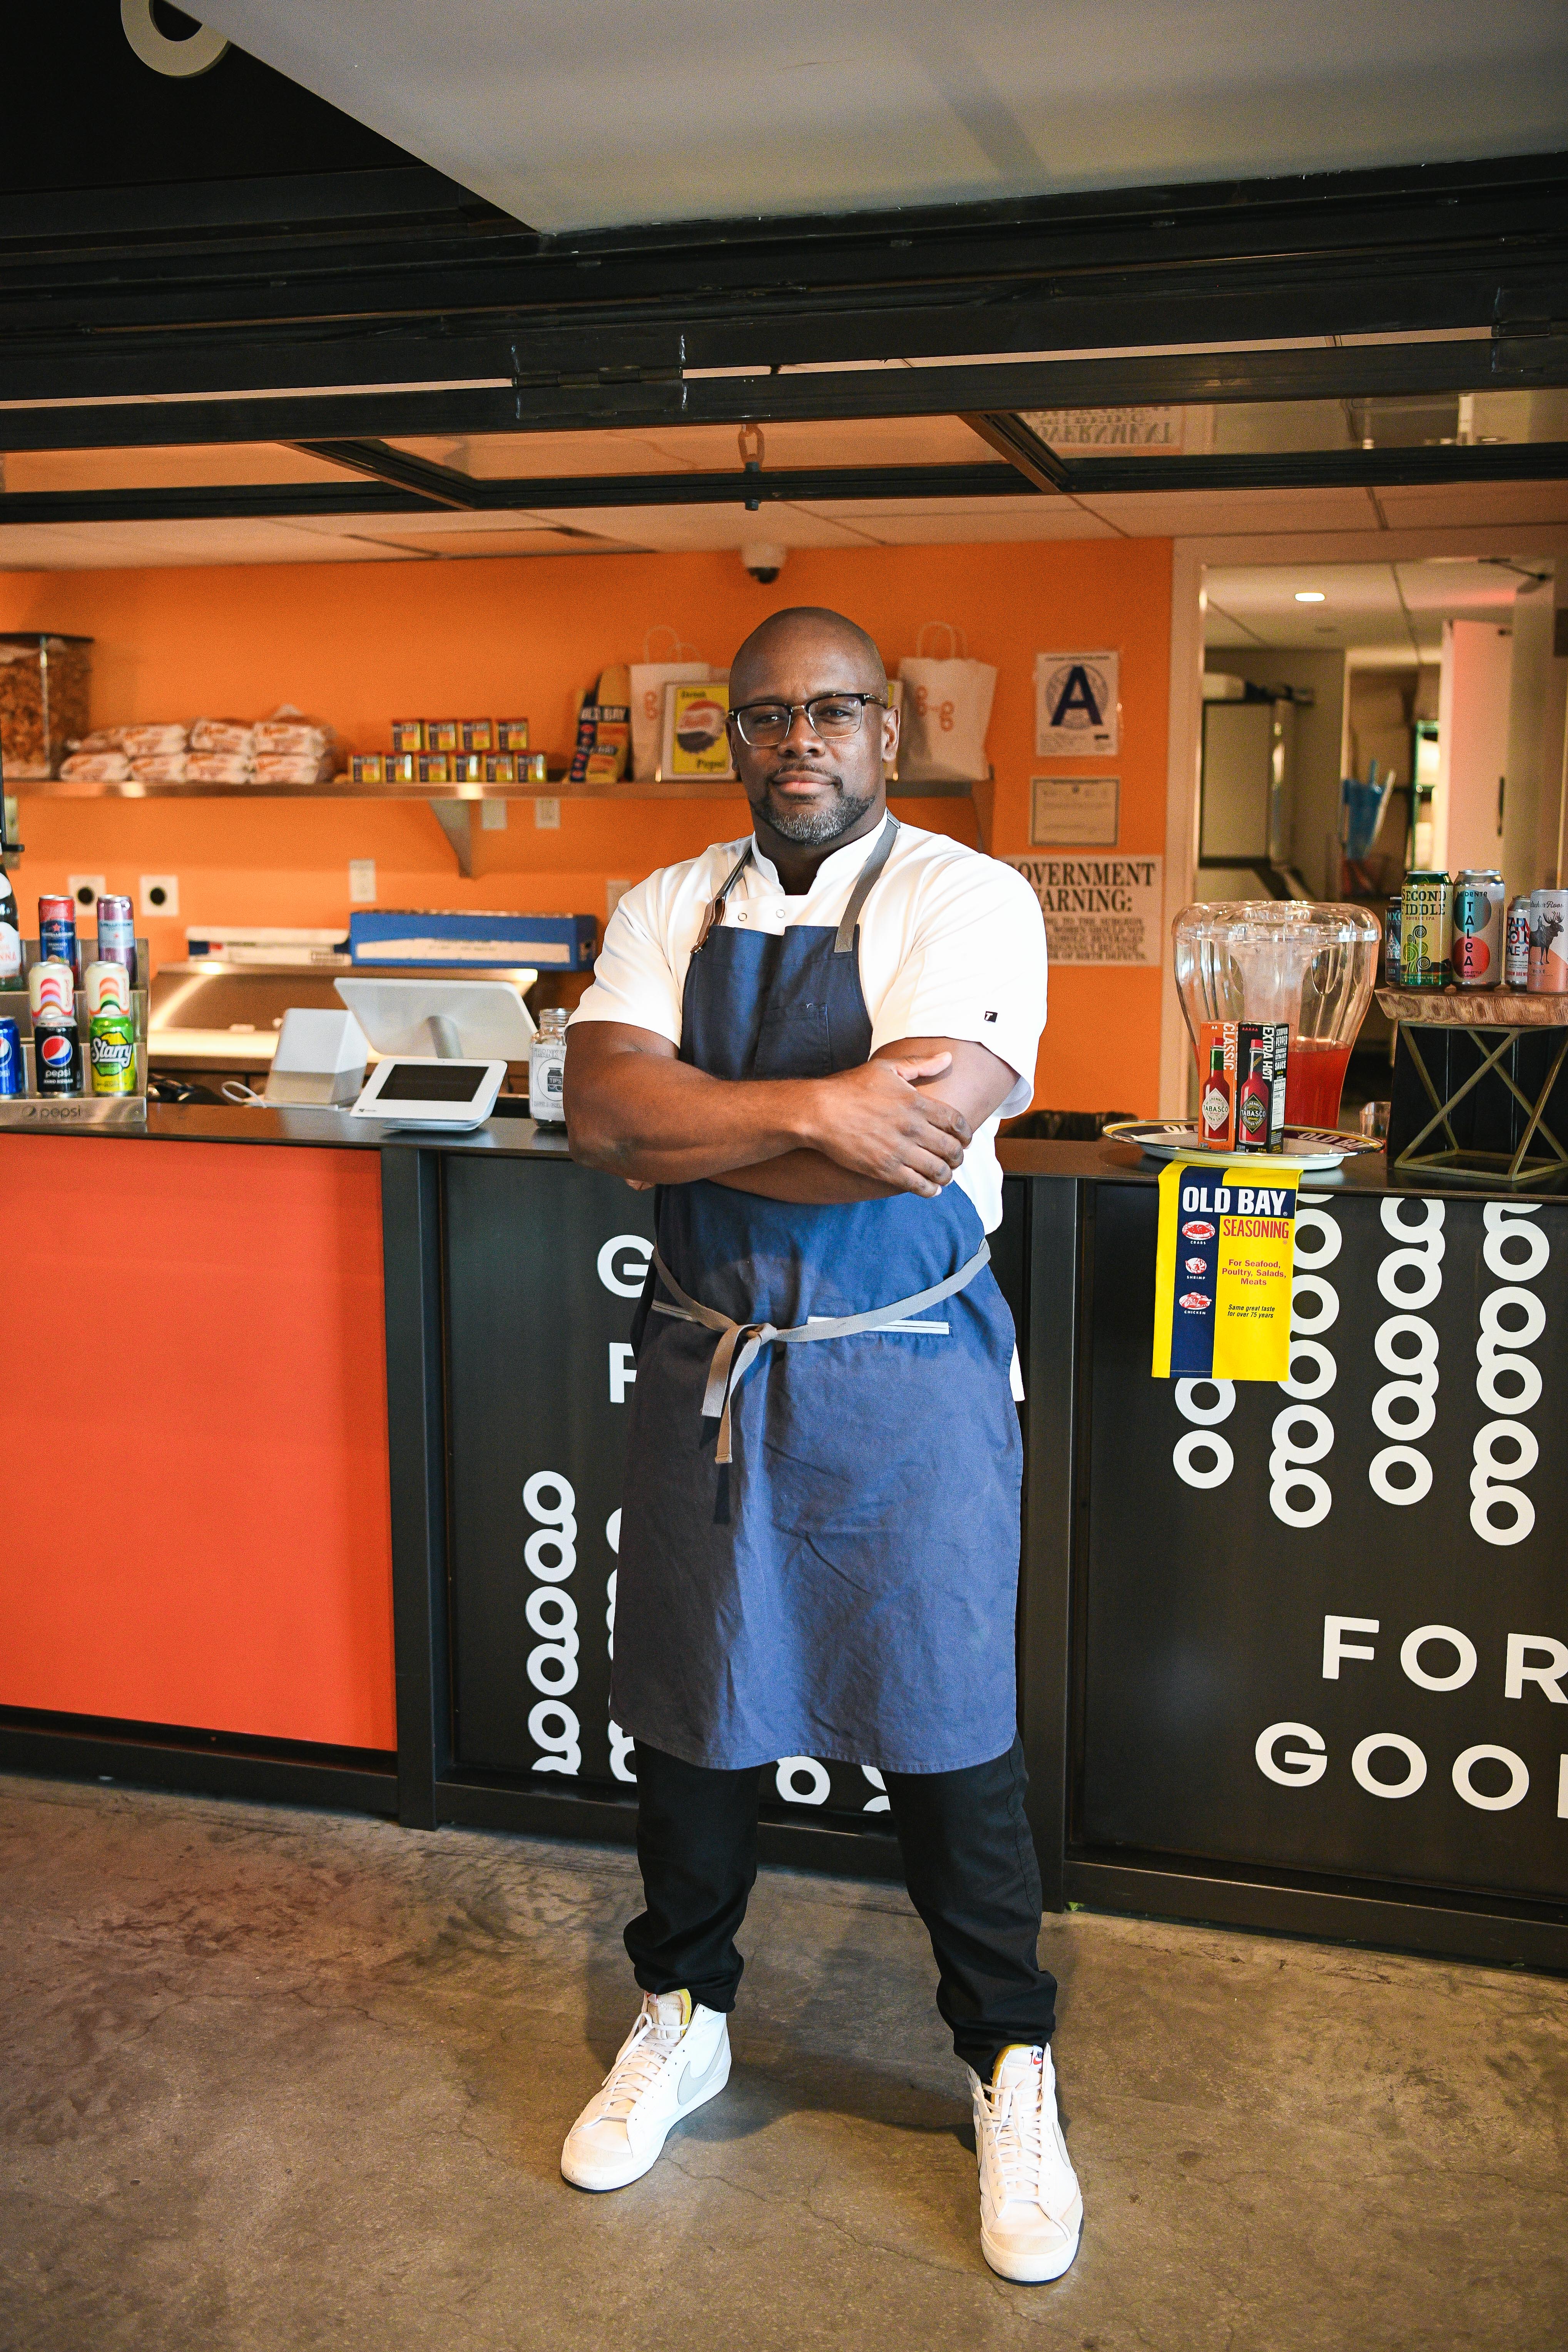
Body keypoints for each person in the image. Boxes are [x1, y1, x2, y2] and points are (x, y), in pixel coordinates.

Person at [560, 605, 1079, 2283]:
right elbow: (600, 1116)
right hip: (713, 1367)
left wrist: (700, 1126)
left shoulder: (964, 896)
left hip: (903, 1364)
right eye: (769, 715)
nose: (802, 741)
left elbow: (916, 1136)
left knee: (946, 1726)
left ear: (888, 730)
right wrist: (806, 1105)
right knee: (690, 1715)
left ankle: (1007, 2060)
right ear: (729, 735)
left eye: (836, 713)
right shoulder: (667, 902)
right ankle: (684, 2010)